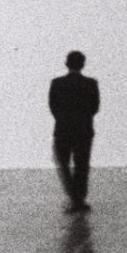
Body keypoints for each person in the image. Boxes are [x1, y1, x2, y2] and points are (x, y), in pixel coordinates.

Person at [48, 51, 100, 212]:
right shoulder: (91, 83)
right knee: (82, 164)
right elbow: (95, 107)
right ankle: (80, 198)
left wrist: (63, 119)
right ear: (82, 64)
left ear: (66, 64)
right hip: (84, 129)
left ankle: (74, 197)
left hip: (63, 129)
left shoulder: (57, 83)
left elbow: (53, 106)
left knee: (63, 163)